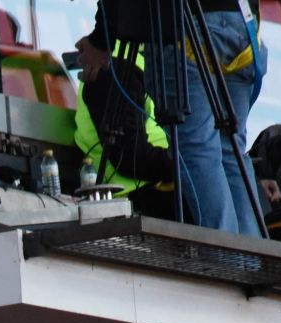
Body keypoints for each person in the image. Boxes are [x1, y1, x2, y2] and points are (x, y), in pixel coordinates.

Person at [82, 0, 263, 236]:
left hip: (180, 24)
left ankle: (227, 257)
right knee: (231, 148)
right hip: (242, 24)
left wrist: (100, 38)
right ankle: (253, 255)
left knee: (197, 150)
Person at [72, 38, 176, 220]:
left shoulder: (148, 61)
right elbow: (129, 157)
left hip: (158, 189)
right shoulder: (115, 67)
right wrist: (190, 166)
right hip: (134, 203)